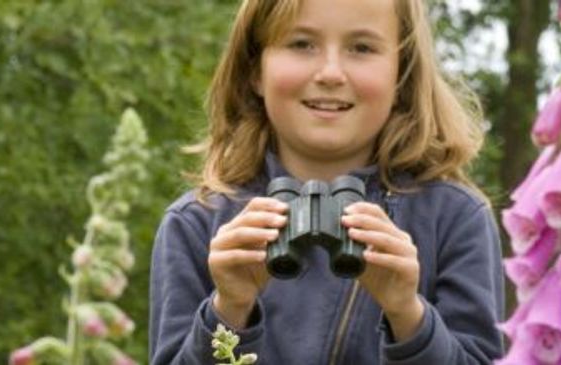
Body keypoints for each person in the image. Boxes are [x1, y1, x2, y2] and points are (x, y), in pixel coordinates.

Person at [149, 0, 503, 363]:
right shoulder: (196, 225)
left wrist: (409, 316)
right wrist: (228, 311)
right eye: (302, 44)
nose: (331, 73)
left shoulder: (454, 218)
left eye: (361, 48)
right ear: (254, 69)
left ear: (402, 75)